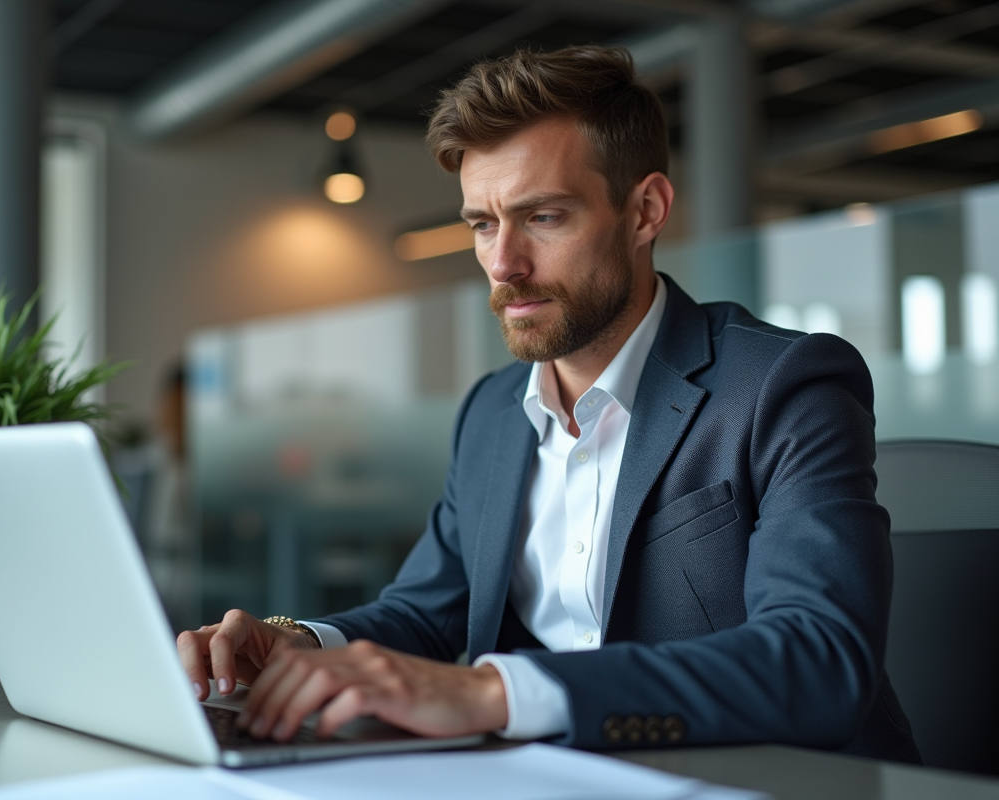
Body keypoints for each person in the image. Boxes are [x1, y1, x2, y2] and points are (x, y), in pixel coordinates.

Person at [177, 45, 921, 762]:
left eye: (545, 217)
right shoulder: (493, 412)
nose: (504, 264)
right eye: (482, 223)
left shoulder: (785, 383)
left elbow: (821, 658)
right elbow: (423, 614)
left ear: (645, 211)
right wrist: (299, 645)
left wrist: (496, 693)